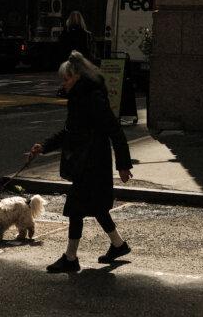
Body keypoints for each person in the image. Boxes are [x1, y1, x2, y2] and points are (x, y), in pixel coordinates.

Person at [28, 50, 133, 273]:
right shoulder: (79, 97)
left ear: (77, 76)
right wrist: (44, 147)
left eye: (66, 79)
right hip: (87, 160)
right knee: (96, 206)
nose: (63, 84)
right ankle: (118, 245)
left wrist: (123, 164)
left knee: (76, 207)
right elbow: (69, 131)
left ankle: (70, 257)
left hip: (92, 162)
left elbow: (114, 129)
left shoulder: (92, 97)